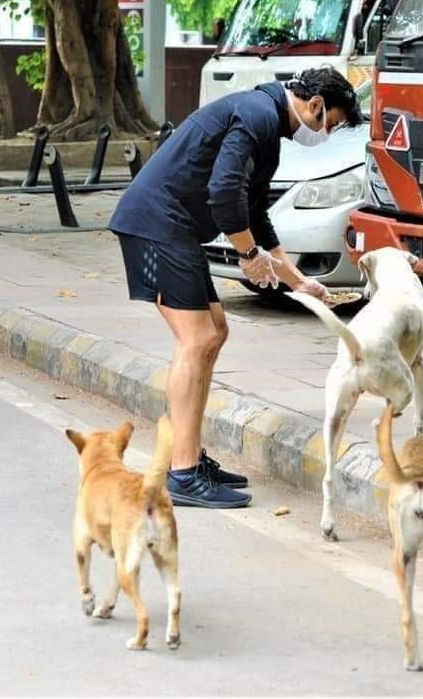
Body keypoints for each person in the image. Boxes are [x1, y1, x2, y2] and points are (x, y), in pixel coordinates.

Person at [108, 67, 363, 508]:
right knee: (198, 337)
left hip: (174, 229)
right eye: (333, 123)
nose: (327, 132)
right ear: (316, 105)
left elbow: (254, 213)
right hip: (156, 224)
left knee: (216, 329)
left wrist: (301, 283)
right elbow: (224, 192)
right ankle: (183, 473)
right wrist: (248, 256)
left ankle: (188, 458)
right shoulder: (257, 114)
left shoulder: (267, 127)